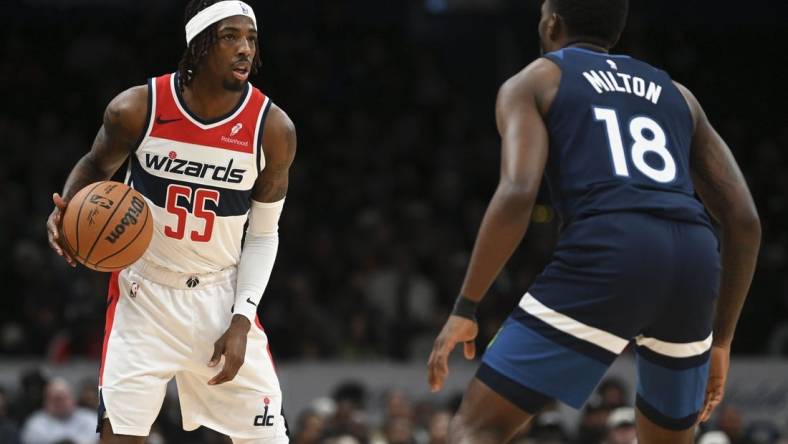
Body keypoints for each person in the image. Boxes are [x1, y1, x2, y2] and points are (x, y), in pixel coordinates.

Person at [427, 0, 761, 443]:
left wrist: (466, 306)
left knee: (475, 428)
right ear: (615, 34)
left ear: (551, 22)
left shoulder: (538, 79)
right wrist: (720, 341)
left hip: (612, 247)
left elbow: (516, 195)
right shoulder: (678, 94)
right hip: (694, 259)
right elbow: (744, 220)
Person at [45, 1, 296, 443]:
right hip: (144, 294)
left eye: (251, 39)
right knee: (119, 436)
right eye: (230, 37)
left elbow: (263, 234)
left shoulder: (272, 129)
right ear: (199, 45)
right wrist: (64, 209)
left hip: (220, 297)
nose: (245, 50)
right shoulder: (137, 108)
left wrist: (242, 318)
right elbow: (94, 166)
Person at [20, 378, 97, 444]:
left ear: (73, 398)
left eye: (64, 398)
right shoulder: (35, 423)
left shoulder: (91, 418)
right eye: (55, 399)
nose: (60, 403)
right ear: (46, 401)